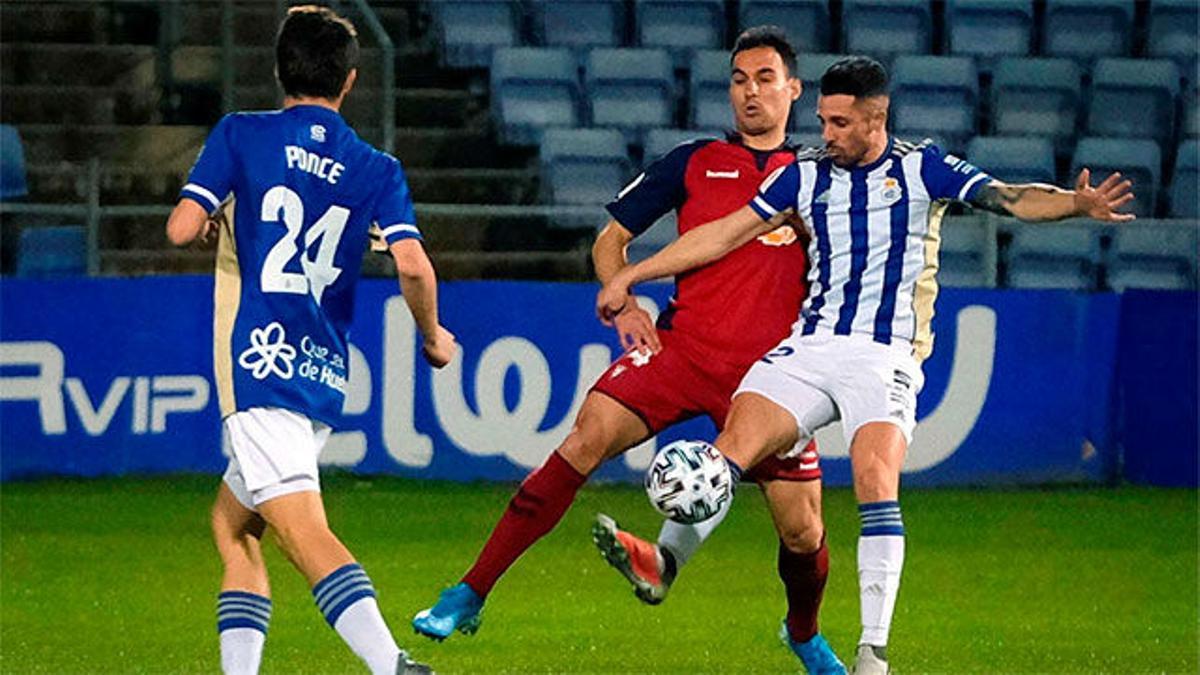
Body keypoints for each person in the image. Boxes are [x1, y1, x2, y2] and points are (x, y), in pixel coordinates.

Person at [597, 55, 1135, 675]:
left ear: (876, 118)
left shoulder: (921, 166)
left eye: (840, 123)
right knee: (727, 453)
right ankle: (664, 564)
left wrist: (1074, 203)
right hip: (811, 344)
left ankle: (872, 654)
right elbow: (720, 234)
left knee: (876, 483)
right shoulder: (803, 175)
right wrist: (636, 271)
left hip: (884, 355)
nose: (825, 134)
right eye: (823, 120)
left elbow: (1010, 199)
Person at [413, 26, 845, 673]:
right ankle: (469, 590)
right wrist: (628, 301)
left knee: (802, 530)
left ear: (793, 89)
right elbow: (610, 239)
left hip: (771, 378)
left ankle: (803, 633)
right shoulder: (693, 161)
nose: (749, 92)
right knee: (583, 438)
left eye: (763, 78)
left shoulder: (817, 178)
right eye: (738, 79)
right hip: (682, 350)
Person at [165, 6, 455, 674]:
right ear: (350, 81)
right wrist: (433, 336)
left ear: (277, 68)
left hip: (257, 366)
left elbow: (181, 228)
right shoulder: (375, 167)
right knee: (231, 525)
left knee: (303, 532)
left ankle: (392, 664)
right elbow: (412, 263)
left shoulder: (242, 134)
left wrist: (209, 213)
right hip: (321, 372)